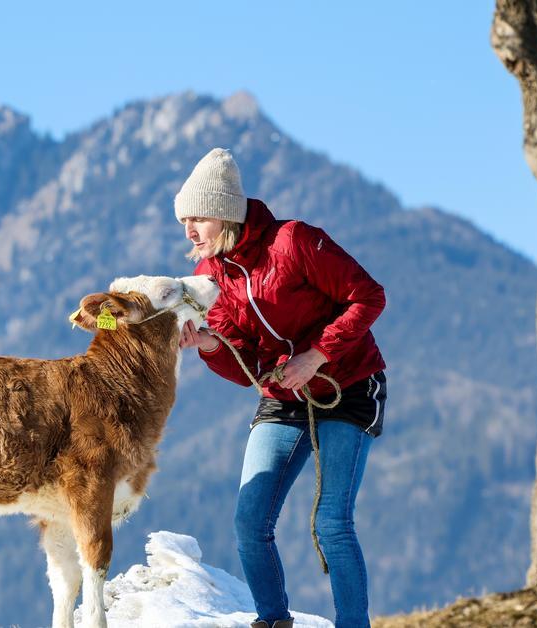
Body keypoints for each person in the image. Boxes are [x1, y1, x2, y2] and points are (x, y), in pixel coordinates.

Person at [174, 148, 387, 628]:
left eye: (198, 218)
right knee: (250, 524)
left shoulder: (294, 242)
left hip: (347, 383)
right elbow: (245, 362)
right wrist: (210, 344)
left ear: (226, 213)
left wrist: (317, 356)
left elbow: (369, 296)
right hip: (283, 395)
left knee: (331, 523)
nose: (189, 231)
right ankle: (273, 621)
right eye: (184, 220)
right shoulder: (211, 276)